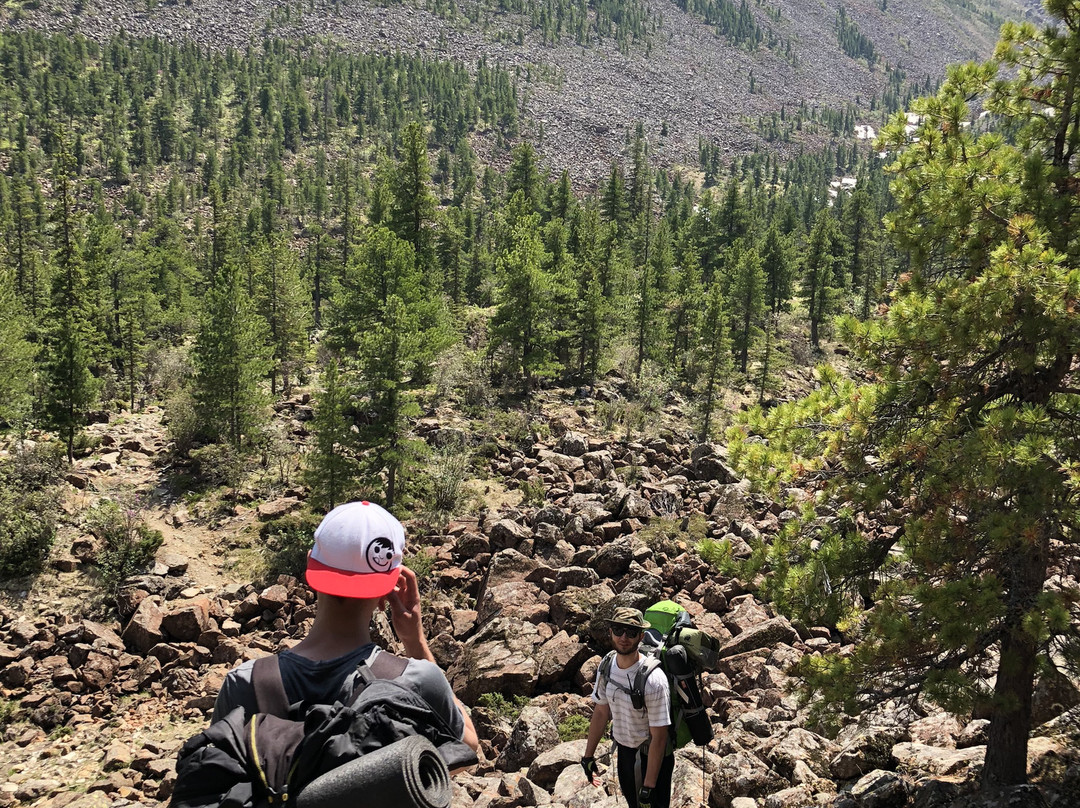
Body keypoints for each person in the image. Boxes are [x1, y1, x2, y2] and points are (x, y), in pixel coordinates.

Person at [211, 500, 478, 759]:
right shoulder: (416, 681)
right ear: (390, 588)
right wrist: (415, 641)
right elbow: (466, 746)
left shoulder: (244, 683)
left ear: (310, 565)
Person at [581, 607, 674, 808]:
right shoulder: (607, 665)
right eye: (618, 630)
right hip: (625, 753)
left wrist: (648, 787)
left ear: (641, 636)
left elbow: (659, 737)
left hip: (651, 758)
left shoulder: (654, 680)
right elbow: (601, 711)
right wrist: (588, 756)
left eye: (631, 632)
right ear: (610, 632)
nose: (624, 637)